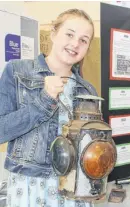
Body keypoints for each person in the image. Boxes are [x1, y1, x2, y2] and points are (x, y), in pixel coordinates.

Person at [0, 9, 98, 207]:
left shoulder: (87, 89)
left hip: (74, 187)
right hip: (29, 186)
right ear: (53, 33)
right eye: (69, 34)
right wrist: (44, 100)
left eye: (83, 40)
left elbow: (89, 146)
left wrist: (96, 179)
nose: (75, 44)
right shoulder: (17, 71)